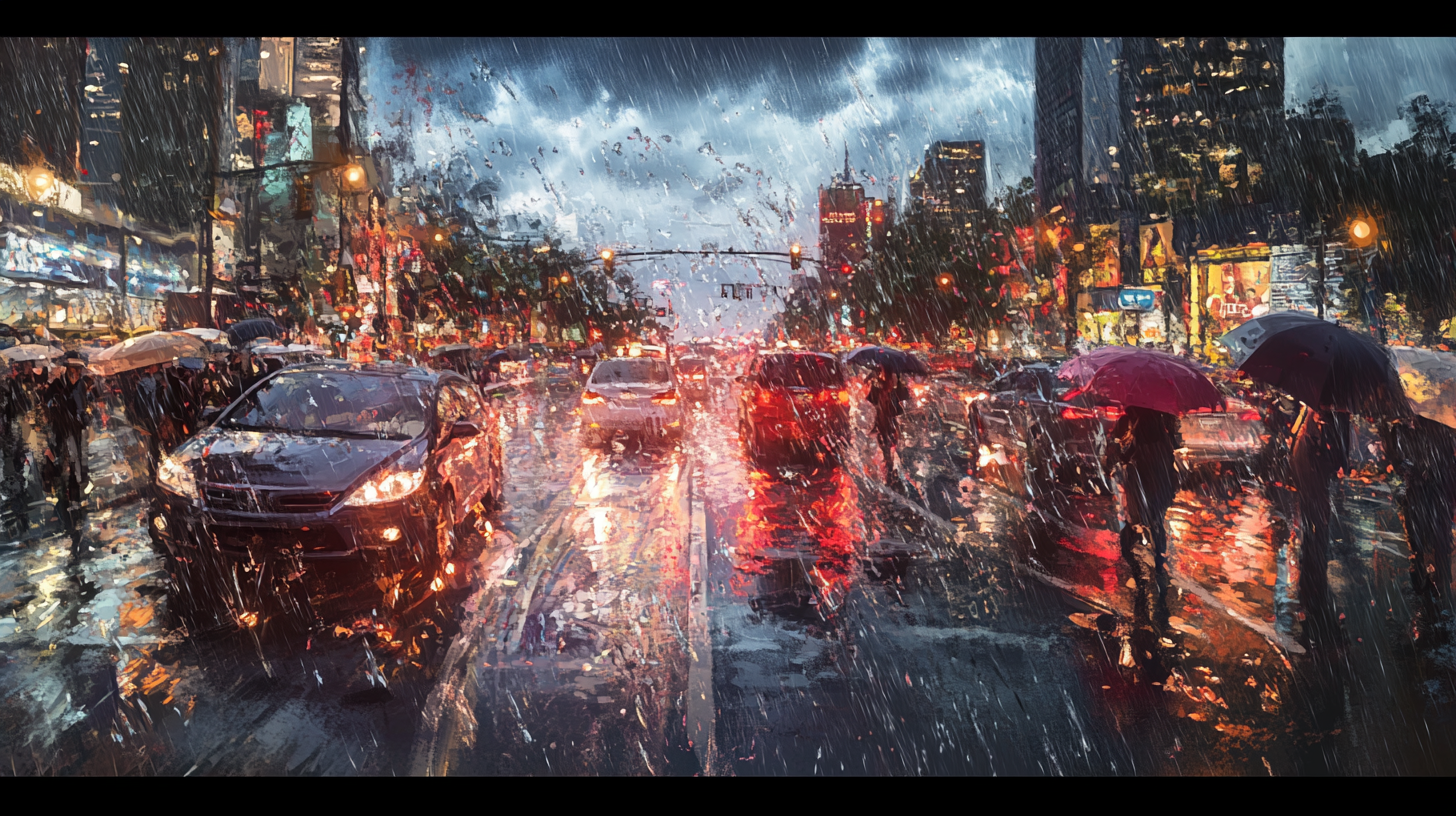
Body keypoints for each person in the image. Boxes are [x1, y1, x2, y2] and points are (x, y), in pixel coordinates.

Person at [1381, 415, 1456, 640]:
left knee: (1434, 543)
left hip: (1433, 495)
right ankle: (1431, 588)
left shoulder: (1439, 431)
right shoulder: (1404, 430)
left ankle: (1436, 590)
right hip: (1424, 496)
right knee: (1424, 543)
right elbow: (1397, 461)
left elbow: (1448, 466)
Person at [1289, 402, 1351, 648]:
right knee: (1316, 536)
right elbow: (1327, 463)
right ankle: (1314, 592)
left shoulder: (1310, 423)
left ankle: (1313, 586)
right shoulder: (1315, 430)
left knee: (1314, 536)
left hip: (1312, 489)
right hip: (1313, 488)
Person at [1105, 406, 1182, 572]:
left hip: (1147, 481)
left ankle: (1129, 551)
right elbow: (1171, 454)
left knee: (1135, 517)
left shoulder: (1142, 427)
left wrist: (1119, 455)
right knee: (1157, 521)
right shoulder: (1162, 430)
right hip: (1162, 483)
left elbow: (1132, 452)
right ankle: (1160, 556)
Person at [44, 352, 93, 550]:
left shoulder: (80, 386)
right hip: (59, 439)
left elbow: (83, 409)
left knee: (79, 474)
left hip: (77, 437)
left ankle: (77, 514)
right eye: (74, 370)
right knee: (62, 477)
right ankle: (69, 522)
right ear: (67, 369)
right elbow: (45, 413)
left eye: (79, 370)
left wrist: (85, 417)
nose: (77, 373)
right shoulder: (55, 387)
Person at [868, 369, 909, 479]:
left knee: (890, 445)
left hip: (888, 423)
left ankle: (891, 468)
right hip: (885, 423)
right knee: (887, 445)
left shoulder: (894, 392)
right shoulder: (884, 391)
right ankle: (890, 468)